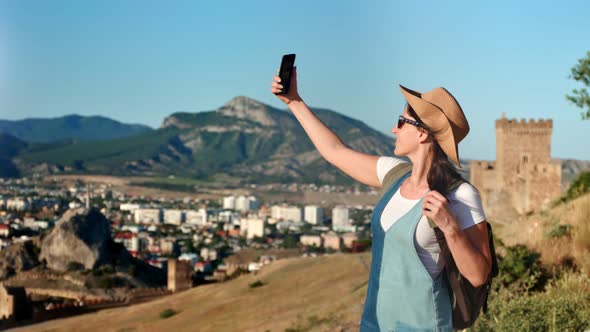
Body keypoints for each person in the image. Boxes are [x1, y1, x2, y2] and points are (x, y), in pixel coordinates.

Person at [270, 67, 492, 332]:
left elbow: (479, 275)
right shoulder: (394, 174)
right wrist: (294, 101)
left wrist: (450, 227)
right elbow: (334, 151)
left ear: (422, 133)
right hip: (374, 325)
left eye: (401, 121)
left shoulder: (460, 195)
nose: (393, 129)